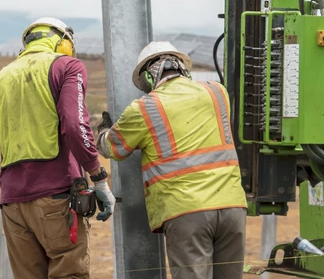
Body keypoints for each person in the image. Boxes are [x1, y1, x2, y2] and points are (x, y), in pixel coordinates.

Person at [95, 41, 247, 279]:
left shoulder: (144, 108)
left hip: (187, 210)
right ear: (183, 68)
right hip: (232, 207)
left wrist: (103, 131)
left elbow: (113, 148)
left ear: (148, 76)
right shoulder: (218, 92)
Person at [0, 17, 116, 279]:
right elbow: (74, 125)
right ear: (63, 42)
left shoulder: (2, 76)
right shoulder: (67, 66)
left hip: (13, 202)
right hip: (56, 196)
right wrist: (98, 177)